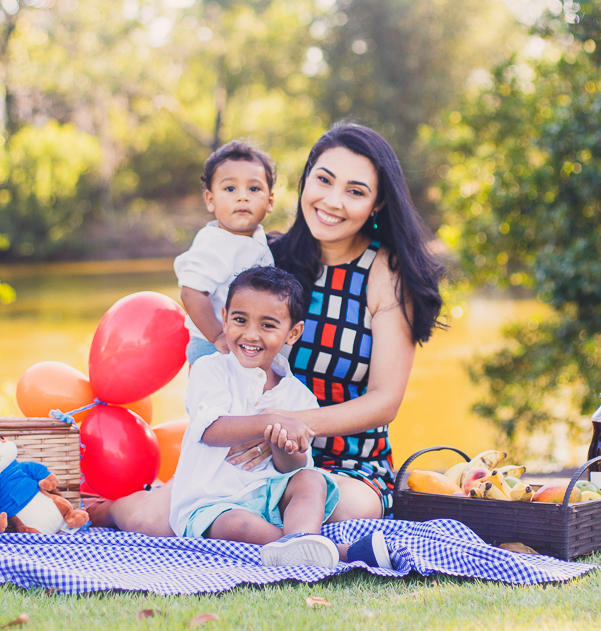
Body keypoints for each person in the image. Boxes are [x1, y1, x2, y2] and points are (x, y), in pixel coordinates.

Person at [88, 124, 443, 547]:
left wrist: (285, 428)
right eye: (324, 180)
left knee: (343, 509)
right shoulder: (266, 259)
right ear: (305, 179)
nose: (332, 201)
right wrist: (251, 422)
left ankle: (296, 547)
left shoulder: (384, 272)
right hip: (248, 453)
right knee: (151, 520)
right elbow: (206, 317)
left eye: (355, 191)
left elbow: (385, 402)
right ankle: (98, 508)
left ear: (377, 203)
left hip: (346, 462)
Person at [169, 265, 344, 567]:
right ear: (224, 318)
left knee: (311, 480)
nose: (251, 335)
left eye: (267, 325)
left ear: (293, 333)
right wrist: (270, 423)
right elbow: (211, 430)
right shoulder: (211, 370)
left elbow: (292, 466)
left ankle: (299, 539)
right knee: (239, 526)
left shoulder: (299, 396)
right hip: (215, 503)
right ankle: (318, 550)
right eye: (240, 320)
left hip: (271, 496)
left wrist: (284, 447)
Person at [174, 140, 276, 365]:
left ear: (270, 202)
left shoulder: (257, 237)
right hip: (213, 345)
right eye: (230, 189)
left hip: (245, 343)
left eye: (254, 189)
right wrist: (217, 335)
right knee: (213, 399)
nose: (242, 197)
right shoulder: (214, 242)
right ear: (210, 200)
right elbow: (191, 293)